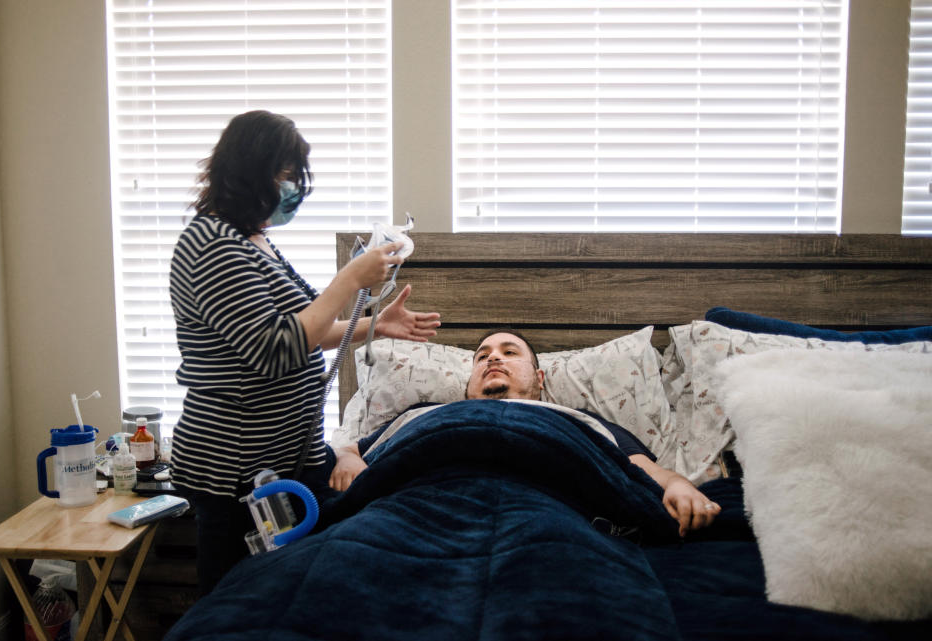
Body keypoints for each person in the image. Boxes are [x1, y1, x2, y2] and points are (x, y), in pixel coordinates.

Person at [169, 109, 440, 594]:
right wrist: (349, 279)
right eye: (285, 175)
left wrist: (374, 326)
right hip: (236, 472)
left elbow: (303, 332)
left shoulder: (254, 241)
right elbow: (274, 351)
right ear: (248, 171)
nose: (294, 188)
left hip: (292, 456)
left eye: (297, 177)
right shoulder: (210, 245)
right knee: (237, 604)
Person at [331, 330, 720, 537]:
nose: (493, 358)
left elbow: (640, 468)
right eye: (482, 356)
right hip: (417, 512)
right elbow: (355, 446)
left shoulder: (578, 418)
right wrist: (347, 458)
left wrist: (679, 486)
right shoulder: (425, 414)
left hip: (551, 517)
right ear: (469, 381)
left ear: (538, 378)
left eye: (509, 352)